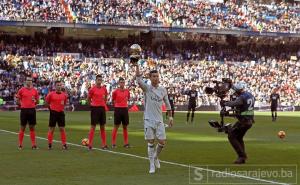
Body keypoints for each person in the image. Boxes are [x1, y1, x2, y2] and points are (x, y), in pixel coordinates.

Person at [135, 65, 173, 174]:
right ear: (150, 78)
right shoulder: (147, 88)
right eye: (154, 76)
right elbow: (138, 79)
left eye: (157, 76)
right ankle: (151, 164)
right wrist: (137, 66)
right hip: (148, 119)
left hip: (159, 120)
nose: (156, 78)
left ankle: (156, 157)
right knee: (151, 142)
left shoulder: (163, 90)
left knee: (162, 142)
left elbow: (167, 103)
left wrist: (170, 117)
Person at [223, 82, 255, 164]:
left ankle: (242, 156)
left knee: (231, 136)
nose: (235, 93)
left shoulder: (242, 98)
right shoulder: (249, 94)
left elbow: (234, 103)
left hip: (243, 121)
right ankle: (242, 158)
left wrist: (225, 103)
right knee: (239, 137)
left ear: (239, 91)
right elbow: (241, 110)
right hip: (249, 120)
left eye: (236, 91)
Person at [16, 77, 39, 150]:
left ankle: (33, 144)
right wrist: (22, 105)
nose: (29, 81)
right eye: (28, 80)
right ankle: (20, 144)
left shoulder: (35, 91)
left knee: (32, 127)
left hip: (32, 110)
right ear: (25, 81)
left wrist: (34, 100)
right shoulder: (21, 90)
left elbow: (37, 101)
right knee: (23, 127)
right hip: (24, 110)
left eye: (31, 80)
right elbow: (17, 100)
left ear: (32, 82)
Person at [87, 75, 108, 150]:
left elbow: (105, 98)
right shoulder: (92, 89)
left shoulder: (104, 89)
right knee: (93, 126)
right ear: (96, 80)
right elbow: (88, 99)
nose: (99, 81)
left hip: (102, 108)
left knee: (102, 126)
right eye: (98, 80)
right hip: (94, 108)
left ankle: (104, 144)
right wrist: (92, 106)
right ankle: (90, 144)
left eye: (100, 80)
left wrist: (103, 104)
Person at [45, 80, 68, 150]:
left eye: (60, 85)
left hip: (61, 113)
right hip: (53, 113)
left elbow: (64, 103)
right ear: (55, 86)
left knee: (62, 129)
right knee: (51, 129)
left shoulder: (64, 95)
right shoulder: (50, 94)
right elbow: (46, 103)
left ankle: (64, 144)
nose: (59, 86)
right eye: (58, 85)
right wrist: (51, 109)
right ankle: (49, 144)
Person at [111, 77, 130, 148]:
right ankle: (113, 143)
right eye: (121, 82)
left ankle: (126, 143)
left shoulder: (127, 91)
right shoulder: (115, 91)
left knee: (125, 127)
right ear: (119, 83)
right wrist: (116, 106)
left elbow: (128, 98)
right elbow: (113, 100)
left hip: (125, 109)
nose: (122, 84)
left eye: (123, 82)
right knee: (116, 126)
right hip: (118, 109)